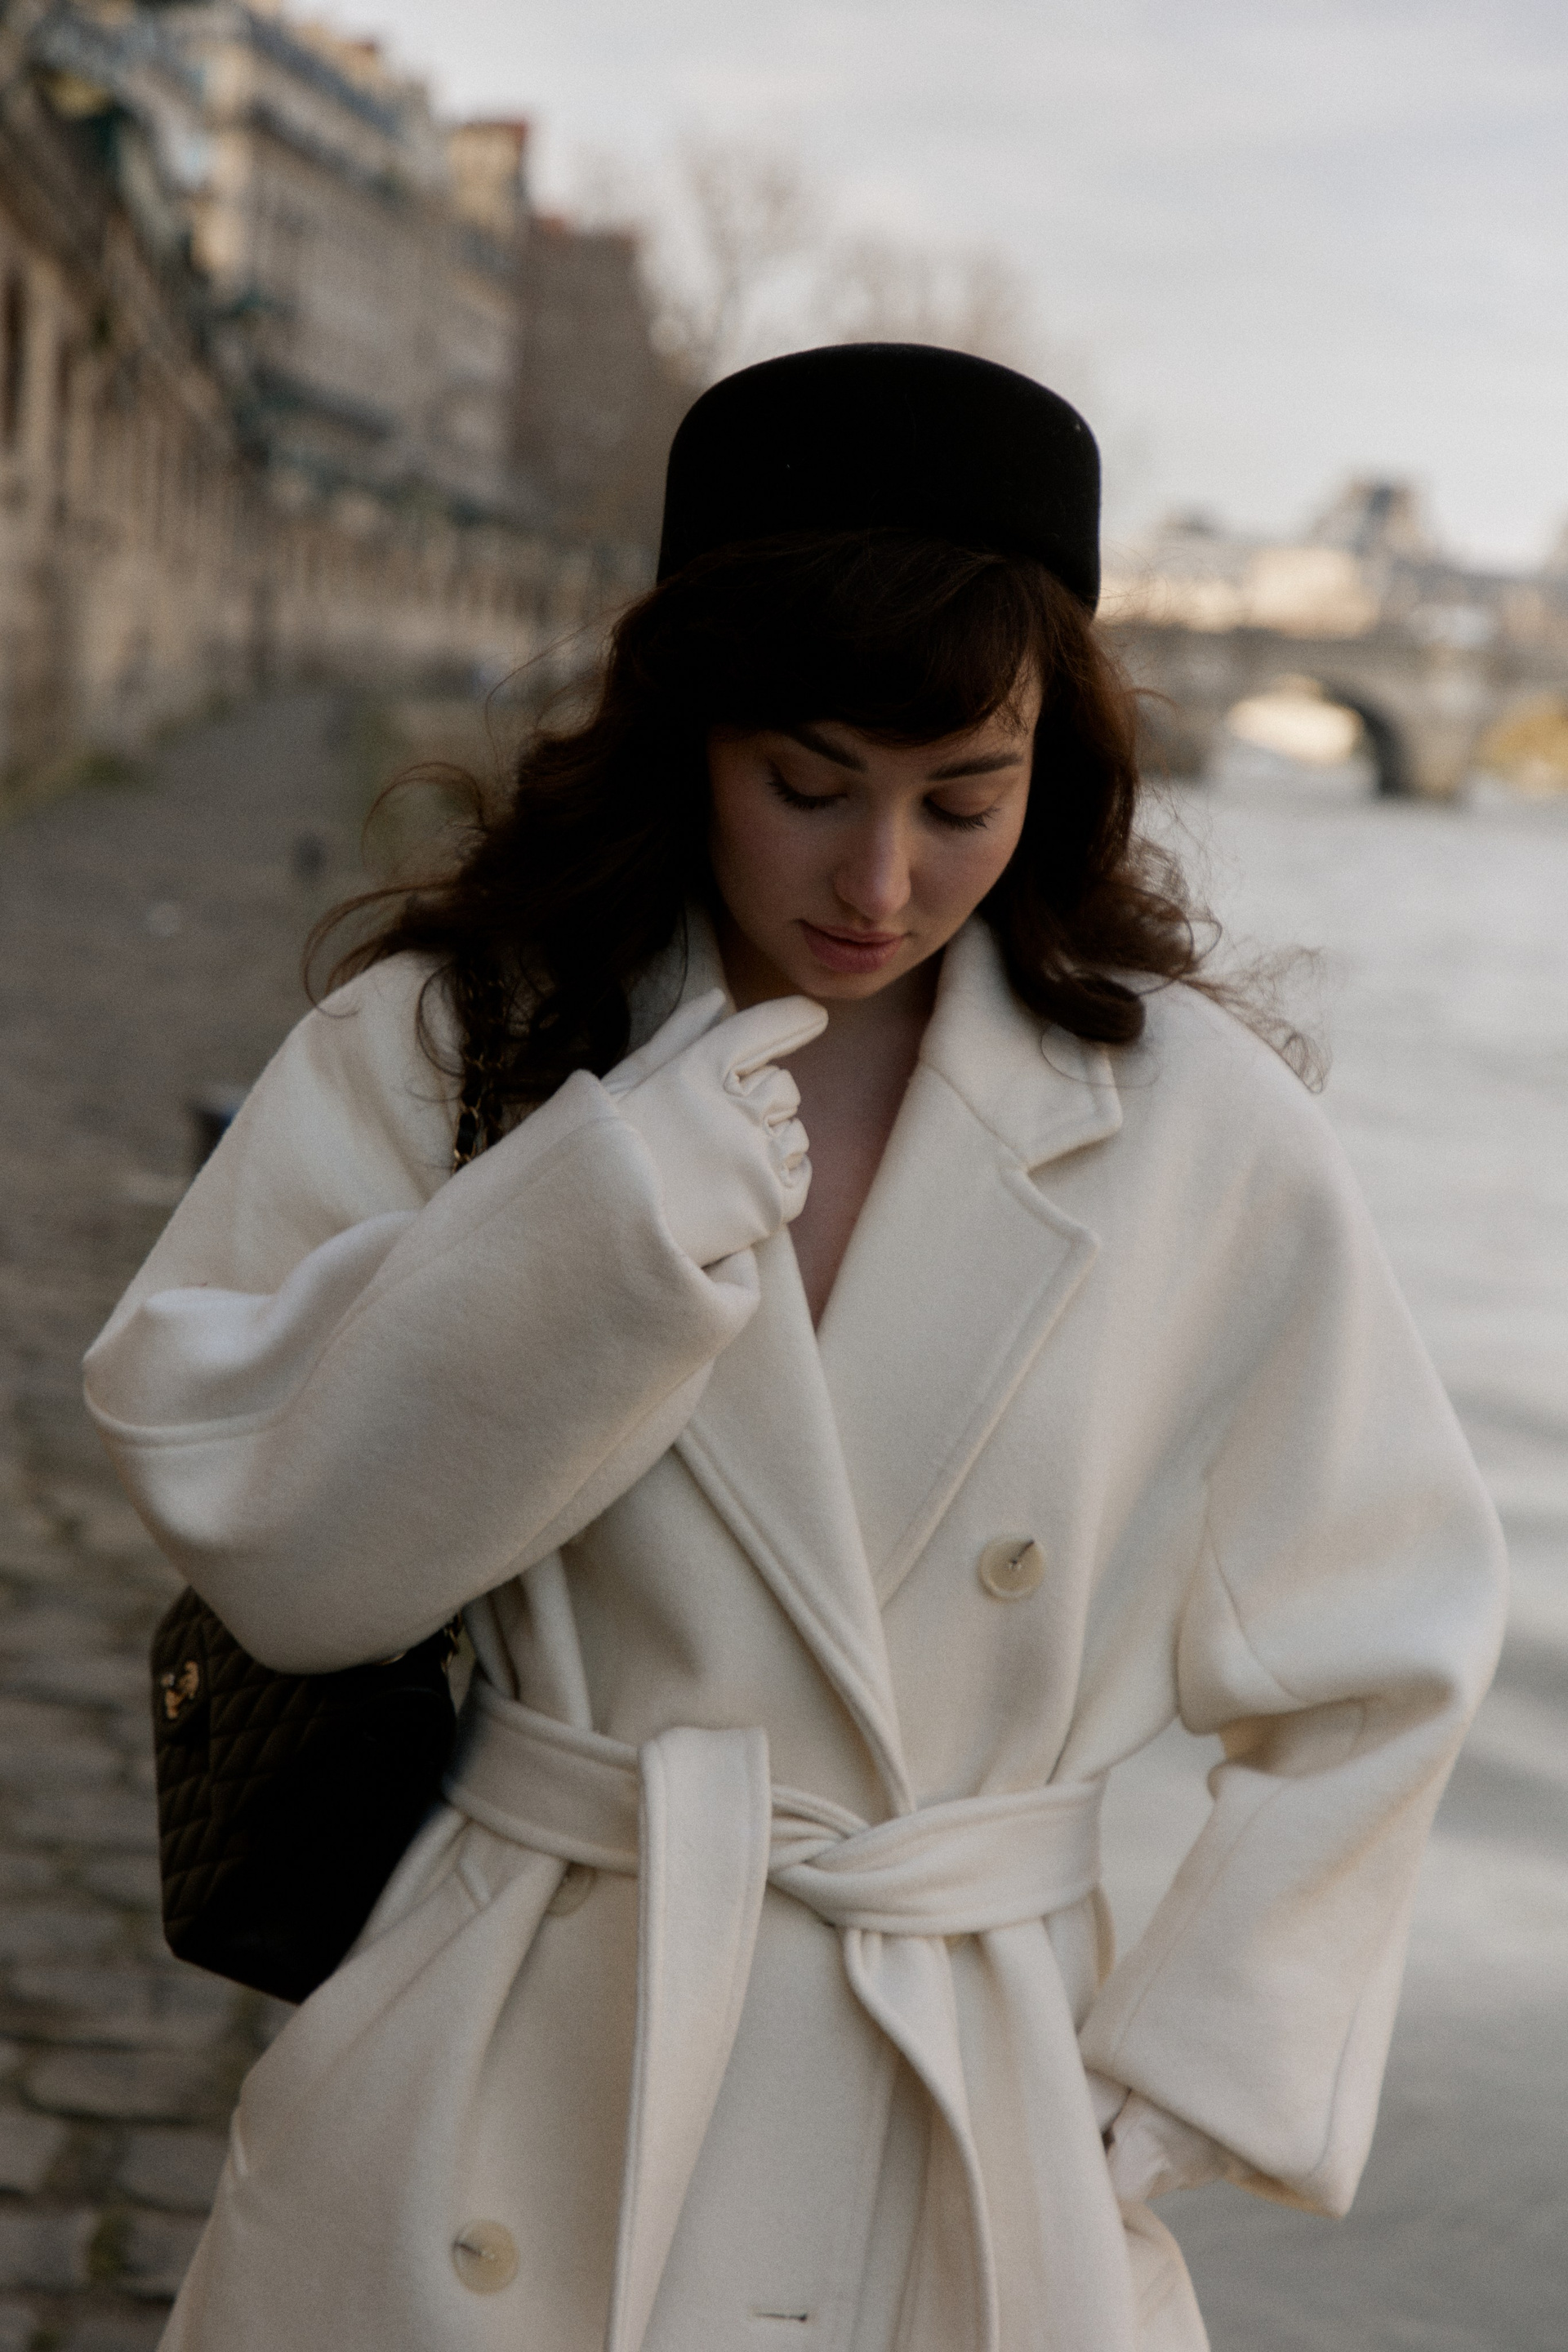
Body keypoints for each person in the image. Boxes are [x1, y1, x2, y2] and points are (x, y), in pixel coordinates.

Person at [84, 345, 1505, 2352]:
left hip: (963, 2108)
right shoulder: (461, 1042)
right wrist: (588, 1240)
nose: (881, 881)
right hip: (499, 2081)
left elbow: (1391, 1631)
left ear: (1056, 770)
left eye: (965, 799)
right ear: (688, 734)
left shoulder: (1198, 1123)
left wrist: (1198, 2063)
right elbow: (274, 1550)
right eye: (810, 786)